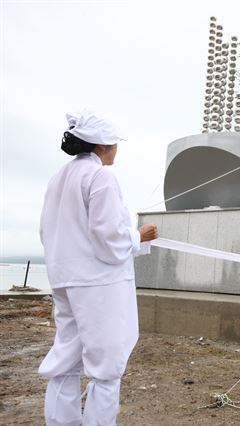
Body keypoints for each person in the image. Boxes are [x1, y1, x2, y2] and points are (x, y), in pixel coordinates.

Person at [38, 110, 158, 426]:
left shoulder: (58, 179)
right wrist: (139, 235)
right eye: (114, 143)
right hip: (97, 284)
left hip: (64, 278)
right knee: (106, 365)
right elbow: (109, 237)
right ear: (102, 146)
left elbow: (46, 231)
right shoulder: (100, 177)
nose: (117, 149)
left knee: (65, 359)